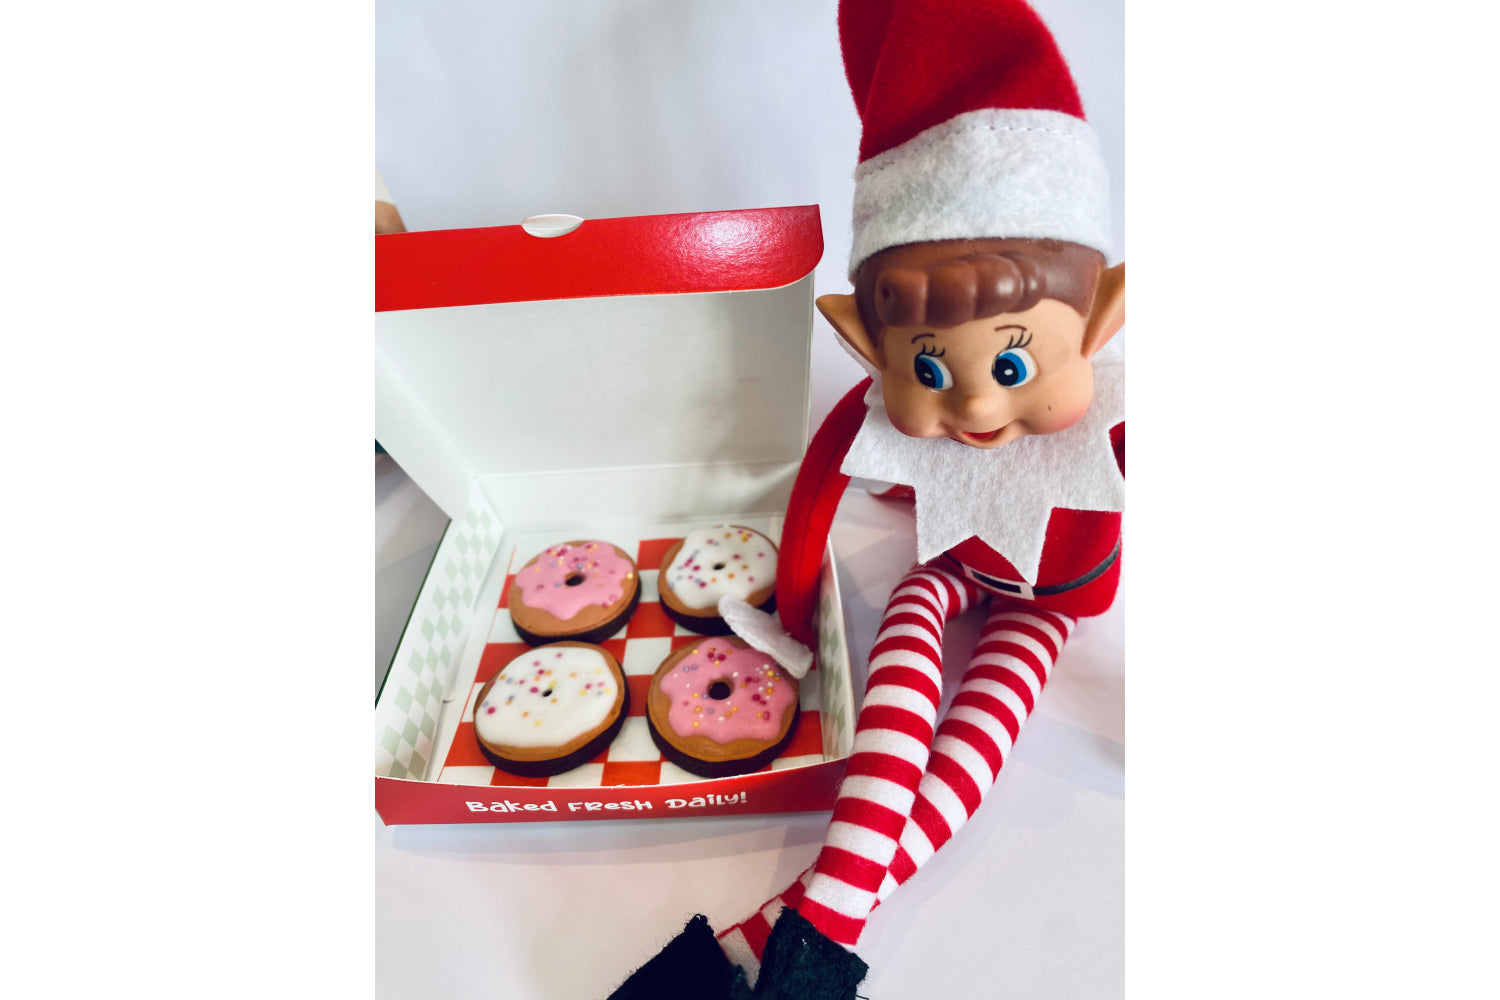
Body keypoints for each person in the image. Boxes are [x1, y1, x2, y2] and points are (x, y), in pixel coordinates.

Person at [611, 2, 1124, 997]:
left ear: (1101, 318)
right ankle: (815, 956)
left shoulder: (1124, 420)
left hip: (1045, 603)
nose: (976, 400)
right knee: (902, 643)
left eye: (1015, 362)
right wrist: (792, 617)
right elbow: (814, 497)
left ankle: (776, 942)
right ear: (865, 342)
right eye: (929, 368)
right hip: (949, 564)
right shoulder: (878, 418)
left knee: (980, 729)